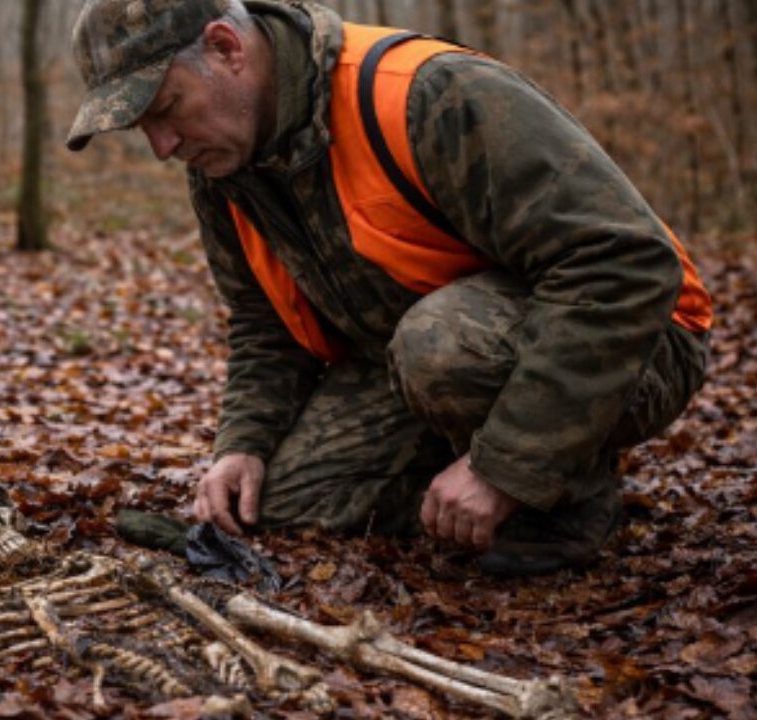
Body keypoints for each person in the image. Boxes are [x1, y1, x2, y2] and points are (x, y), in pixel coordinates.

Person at [65, 0, 712, 576]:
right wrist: (243, 444)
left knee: (439, 347)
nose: (162, 145)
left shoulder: (427, 93)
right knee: (289, 501)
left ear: (226, 48)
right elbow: (265, 321)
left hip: (640, 336)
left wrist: (505, 467)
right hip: (425, 361)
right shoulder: (224, 167)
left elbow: (622, 262)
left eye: (167, 108)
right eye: (142, 127)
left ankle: (560, 497)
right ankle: (483, 461)